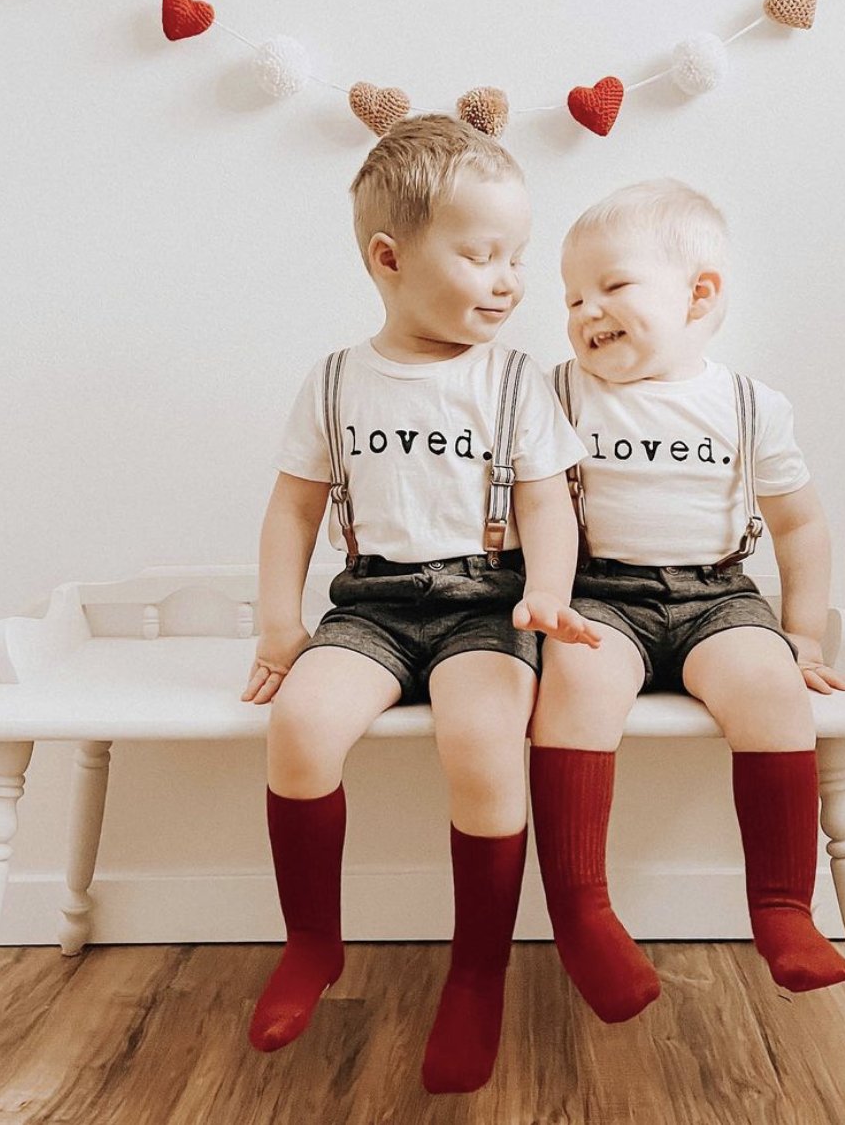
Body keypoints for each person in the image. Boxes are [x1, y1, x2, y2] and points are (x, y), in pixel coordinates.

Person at [240, 115, 597, 1095]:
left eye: (517, 257)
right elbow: (294, 509)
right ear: (389, 259)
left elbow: (547, 503)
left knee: (481, 743)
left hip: (488, 607)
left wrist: (547, 592)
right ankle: (311, 942)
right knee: (301, 727)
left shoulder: (514, 381)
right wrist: (279, 624)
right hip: (374, 605)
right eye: (481, 256)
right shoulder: (336, 381)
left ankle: (476, 975)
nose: (509, 280)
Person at [530, 178, 845, 1025]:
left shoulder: (749, 405)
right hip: (601, 596)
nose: (586, 310)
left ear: (700, 294)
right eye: (571, 297)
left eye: (612, 285)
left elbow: (800, 522)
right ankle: (582, 913)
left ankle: (783, 907)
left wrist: (802, 635)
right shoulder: (557, 395)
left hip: (716, 596)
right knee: (576, 681)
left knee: (770, 687)